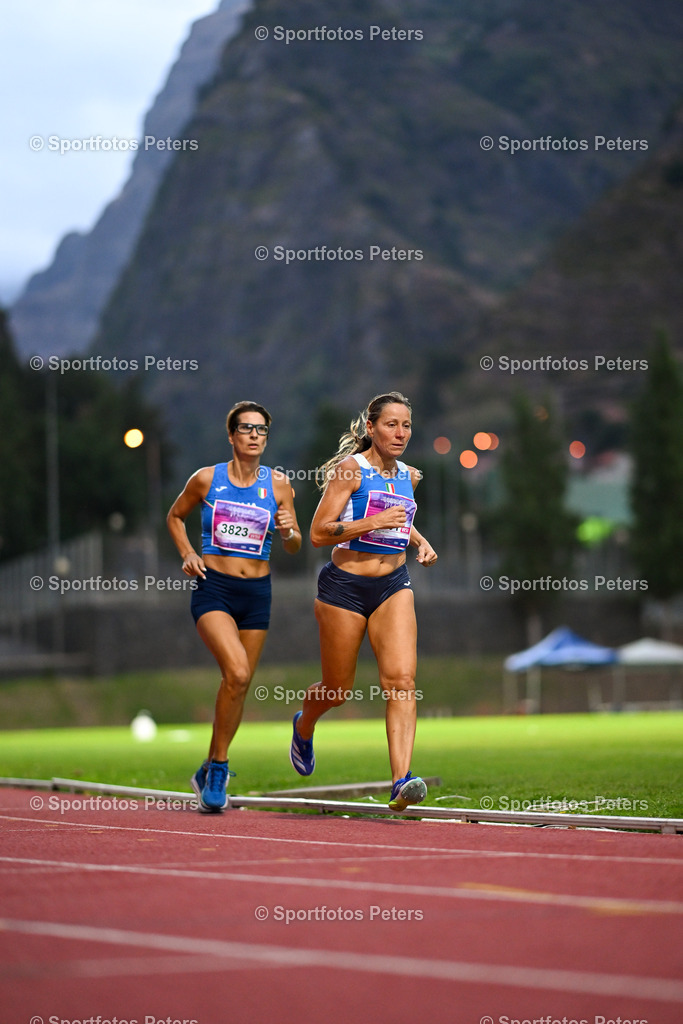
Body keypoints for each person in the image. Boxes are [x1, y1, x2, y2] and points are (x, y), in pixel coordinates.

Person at [289, 391, 437, 811]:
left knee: (402, 681)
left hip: (394, 583)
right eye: (391, 424)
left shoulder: (410, 475)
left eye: (406, 425)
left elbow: (399, 520)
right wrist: (372, 521)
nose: (400, 432)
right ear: (370, 428)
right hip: (344, 589)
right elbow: (318, 533)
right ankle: (304, 724)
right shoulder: (349, 471)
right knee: (337, 690)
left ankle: (401, 781)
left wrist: (420, 540)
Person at [167, 400, 301, 812]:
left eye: (262, 429)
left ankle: (208, 768)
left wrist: (289, 530)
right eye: (246, 428)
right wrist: (189, 552)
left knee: (238, 684)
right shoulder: (206, 480)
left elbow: (294, 545)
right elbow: (175, 516)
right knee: (238, 671)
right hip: (215, 589)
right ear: (231, 435)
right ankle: (221, 767)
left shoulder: (278, 485)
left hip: (258, 594)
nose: (255, 435)